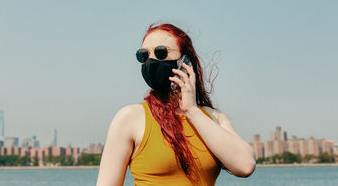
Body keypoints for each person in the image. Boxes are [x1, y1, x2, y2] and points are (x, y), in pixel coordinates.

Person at [96, 23, 255, 186]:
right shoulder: (130, 118)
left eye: (161, 52)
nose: (151, 61)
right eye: (143, 55)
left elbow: (245, 166)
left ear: (185, 61)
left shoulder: (213, 117)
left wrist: (192, 111)